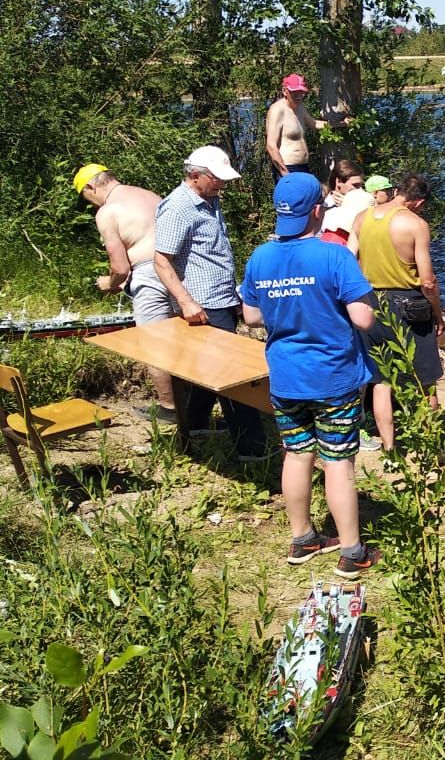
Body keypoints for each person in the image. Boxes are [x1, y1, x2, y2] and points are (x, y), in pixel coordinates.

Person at [240, 173, 381, 579]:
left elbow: (250, 316)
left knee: (297, 453)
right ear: (317, 210)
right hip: (333, 376)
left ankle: (303, 539)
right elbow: (364, 318)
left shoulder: (260, 257)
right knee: (338, 461)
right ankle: (352, 552)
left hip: (286, 377)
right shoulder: (333, 256)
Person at [152, 146, 268, 460]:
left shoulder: (209, 199)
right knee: (235, 376)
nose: (222, 184)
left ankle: (197, 424)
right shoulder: (177, 206)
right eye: (216, 178)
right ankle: (252, 448)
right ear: (195, 175)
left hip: (223, 295)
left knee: (208, 367)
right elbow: (161, 261)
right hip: (202, 303)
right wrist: (186, 302)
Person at [349, 173, 444, 451]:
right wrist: (437, 315)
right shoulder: (415, 224)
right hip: (408, 303)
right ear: (418, 202)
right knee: (426, 380)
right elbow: (427, 281)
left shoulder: (361, 218)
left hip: (371, 301)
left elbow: (347, 259)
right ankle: (431, 445)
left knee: (381, 379)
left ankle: (389, 447)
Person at [74, 163, 176, 421]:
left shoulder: (108, 212)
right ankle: (196, 409)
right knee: (183, 342)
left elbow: (120, 267)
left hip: (149, 273)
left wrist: (110, 283)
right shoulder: (151, 195)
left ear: (90, 187)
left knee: (155, 344)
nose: (92, 205)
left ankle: (170, 409)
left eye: (87, 198)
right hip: (178, 270)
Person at [265, 74, 343, 182]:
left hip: (303, 167)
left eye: (301, 91)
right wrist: (285, 174)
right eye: (294, 91)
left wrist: (341, 123)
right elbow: (271, 146)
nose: (298, 95)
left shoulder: (300, 107)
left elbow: (314, 124)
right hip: (288, 168)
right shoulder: (277, 110)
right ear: (284, 91)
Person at [319, 160, 374, 246]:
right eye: (355, 185)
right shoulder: (321, 207)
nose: (360, 190)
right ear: (338, 182)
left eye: (361, 185)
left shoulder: (363, 203)